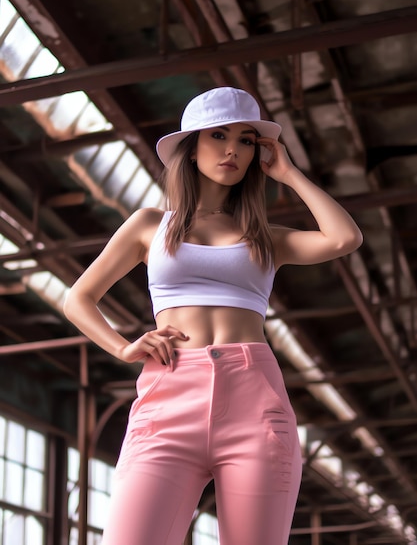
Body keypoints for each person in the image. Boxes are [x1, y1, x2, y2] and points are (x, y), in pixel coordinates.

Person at [64, 86, 363, 545]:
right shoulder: (149, 225)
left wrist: (289, 174)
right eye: (219, 135)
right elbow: (78, 298)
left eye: (247, 140)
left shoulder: (266, 237)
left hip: (254, 404)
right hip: (168, 397)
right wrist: (122, 347)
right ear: (191, 147)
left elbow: (344, 239)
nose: (233, 150)